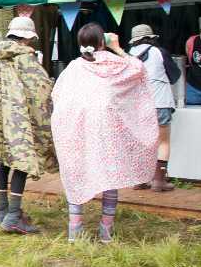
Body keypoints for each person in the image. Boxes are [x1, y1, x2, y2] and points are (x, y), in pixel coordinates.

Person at [51, 24, 158, 242]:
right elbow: (139, 69)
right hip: (108, 133)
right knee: (110, 177)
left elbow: (57, 95)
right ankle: (105, 231)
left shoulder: (74, 67)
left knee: (76, 175)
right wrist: (117, 48)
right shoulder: (115, 64)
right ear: (103, 42)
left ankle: (75, 230)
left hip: (77, 131)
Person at [0, 16, 56, 234]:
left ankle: (2, 211)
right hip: (18, 120)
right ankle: (13, 216)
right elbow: (40, 90)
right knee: (21, 161)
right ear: (27, 38)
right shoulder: (25, 57)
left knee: (4, 161)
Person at [128, 24, 175, 191]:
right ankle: (159, 181)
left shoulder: (127, 55)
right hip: (160, 102)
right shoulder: (159, 52)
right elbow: (175, 75)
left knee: (141, 142)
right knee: (163, 142)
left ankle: (140, 179)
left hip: (138, 105)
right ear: (151, 38)